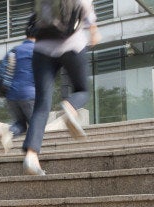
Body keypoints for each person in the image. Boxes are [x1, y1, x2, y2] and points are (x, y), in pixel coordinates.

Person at [21, 0, 101, 175]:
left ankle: (31, 156)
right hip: (72, 44)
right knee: (82, 89)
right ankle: (70, 106)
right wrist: (93, 29)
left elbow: (34, 14)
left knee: (41, 104)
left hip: (42, 48)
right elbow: (85, 6)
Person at [0, 16, 36, 153]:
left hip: (11, 96)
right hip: (29, 95)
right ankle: (30, 155)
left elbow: (2, 70)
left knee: (21, 124)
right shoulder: (37, 51)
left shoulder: (14, 50)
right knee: (35, 125)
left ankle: (10, 131)